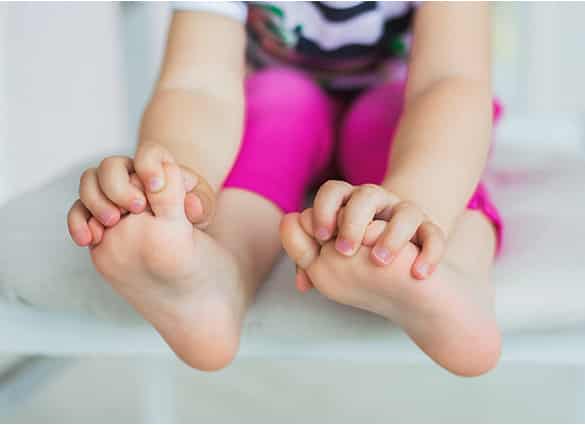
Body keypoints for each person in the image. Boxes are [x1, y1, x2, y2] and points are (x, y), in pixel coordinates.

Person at [67, 2, 503, 376]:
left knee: (423, 138)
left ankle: (452, 276)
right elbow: (198, 87)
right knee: (278, 103)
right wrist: (177, 182)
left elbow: (449, 82)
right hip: (276, 112)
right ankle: (213, 277)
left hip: (404, 115)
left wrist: (413, 206)